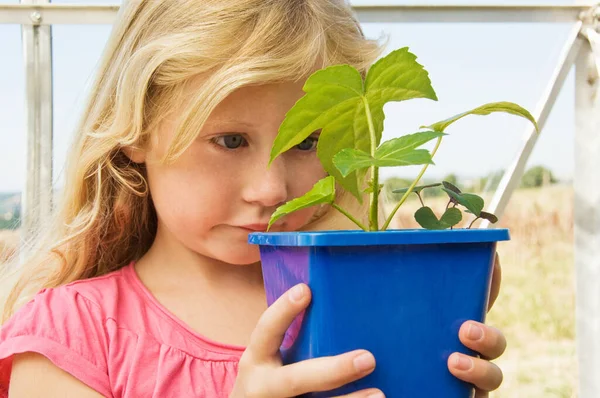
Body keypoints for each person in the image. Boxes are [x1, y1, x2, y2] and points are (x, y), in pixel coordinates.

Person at [0, 1, 506, 397]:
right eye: (231, 141)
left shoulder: (357, 299)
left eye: (307, 142)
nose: (271, 189)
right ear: (136, 125)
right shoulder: (74, 338)